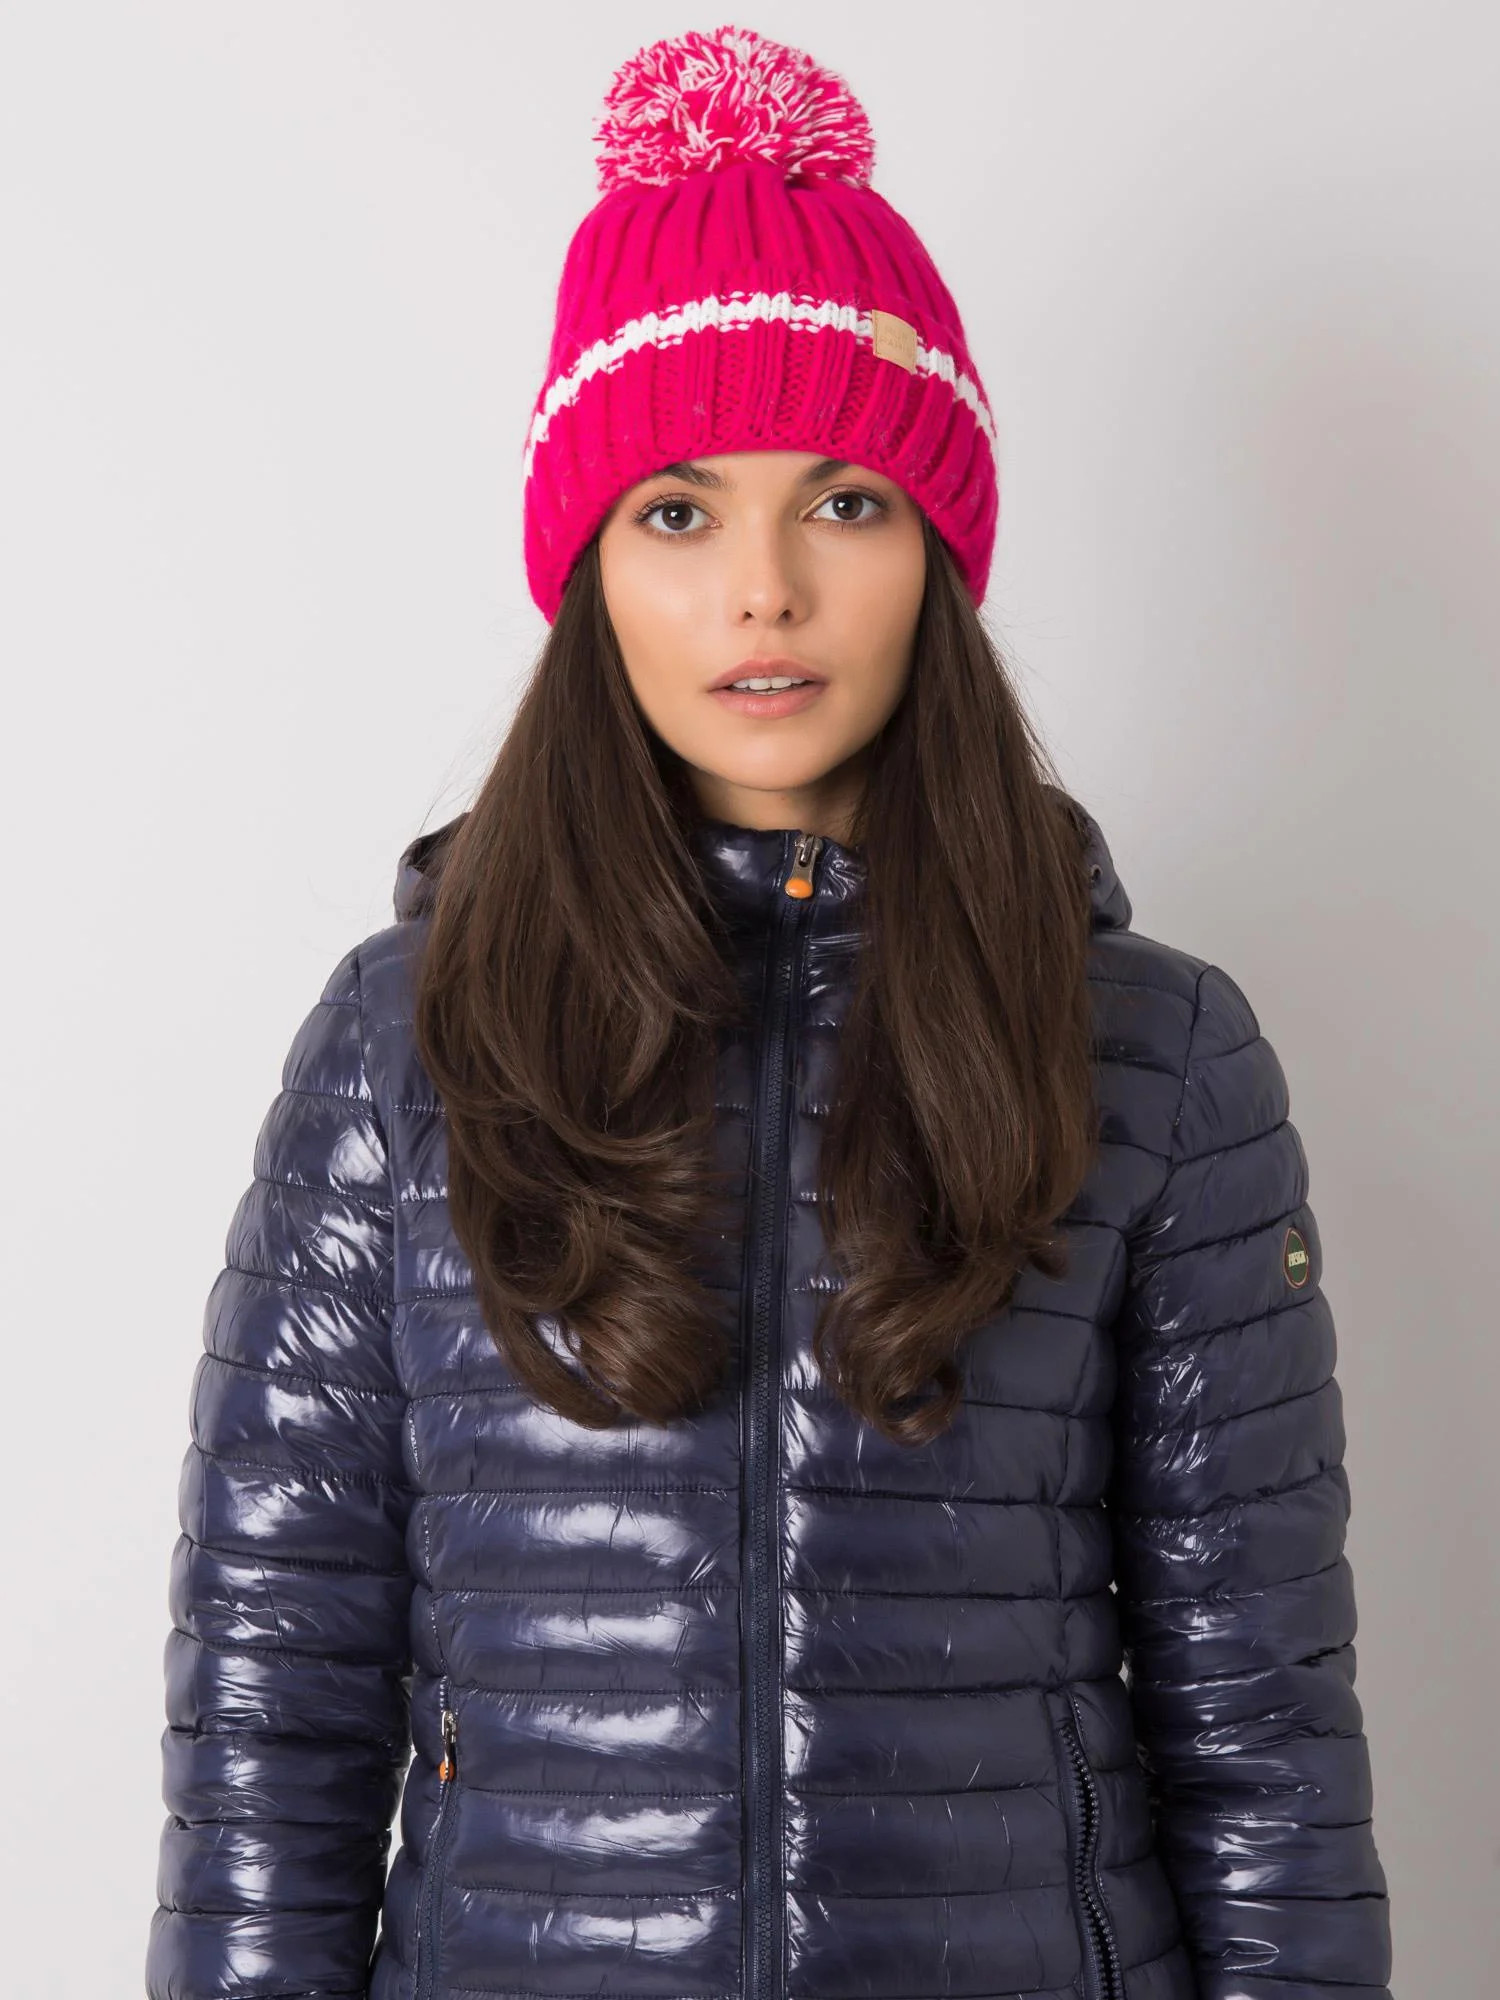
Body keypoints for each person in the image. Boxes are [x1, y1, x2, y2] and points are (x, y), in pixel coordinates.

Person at [145, 24, 1393, 2000]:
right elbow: (272, 1716)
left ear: (935, 551)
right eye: (676, 510)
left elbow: (1263, 1738)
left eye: (845, 502)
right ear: (590, 567)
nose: (762, 591)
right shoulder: (406, 1047)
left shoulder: (1156, 1054)